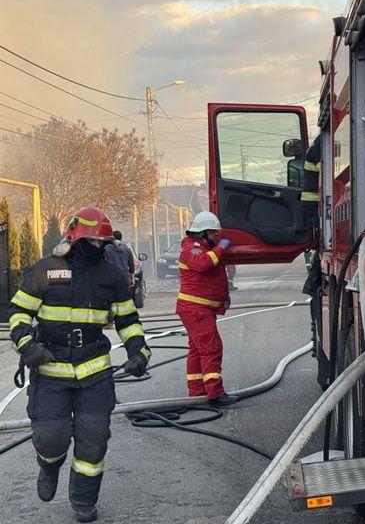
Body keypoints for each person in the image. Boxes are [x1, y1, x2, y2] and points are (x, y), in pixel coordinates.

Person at [7, 207, 151, 523]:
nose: (98, 247)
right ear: (75, 239)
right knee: (50, 437)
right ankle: (49, 465)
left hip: (95, 373)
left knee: (94, 440)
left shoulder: (113, 276)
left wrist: (139, 351)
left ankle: (84, 500)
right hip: (50, 371)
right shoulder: (45, 270)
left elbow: (128, 320)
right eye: (92, 242)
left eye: (103, 243)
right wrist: (27, 346)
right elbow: (18, 313)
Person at [176, 211, 237, 407]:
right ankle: (215, 393)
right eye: (214, 233)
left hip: (198, 309)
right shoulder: (191, 248)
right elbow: (203, 264)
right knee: (211, 348)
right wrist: (221, 248)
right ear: (203, 232)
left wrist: (222, 297)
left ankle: (197, 391)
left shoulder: (202, 247)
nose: (217, 236)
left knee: (197, 349)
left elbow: (210, 275)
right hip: (196, 309)